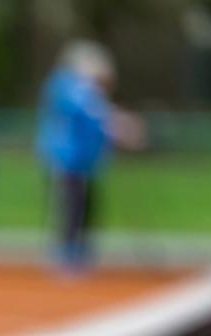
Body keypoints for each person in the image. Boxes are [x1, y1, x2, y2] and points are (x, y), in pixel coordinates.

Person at [37, 41, 144, 272]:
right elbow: (91, 112)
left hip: (87, 162)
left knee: (87, 205)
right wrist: (120, 124)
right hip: (67, 160)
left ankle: (81, 250)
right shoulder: (67, 85)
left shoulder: (90, 91)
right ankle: (66, 252)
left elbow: (99, 116)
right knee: (71, 205)